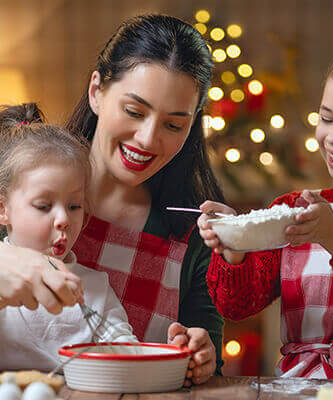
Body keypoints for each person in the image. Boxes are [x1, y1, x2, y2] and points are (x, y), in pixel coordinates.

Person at [0, 15, 224, 385]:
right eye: (134, 111)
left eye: (173, 125)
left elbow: (206, 366)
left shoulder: (193, 236)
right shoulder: (19, 181)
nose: (148, 139)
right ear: (97, 92)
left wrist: (200, 355)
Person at [198, 24, 333, 378]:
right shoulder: (293, 208)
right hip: (299, 387)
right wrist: (234, 245)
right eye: (326, 119)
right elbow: (238, 304)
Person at [0, 103, 138, 371]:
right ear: (3, 209)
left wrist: (176, 352)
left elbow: (126, 353)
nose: (64, 219)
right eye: (43, 206)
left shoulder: (95, 288)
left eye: (74, 206)